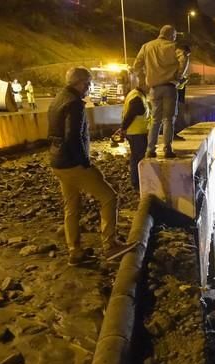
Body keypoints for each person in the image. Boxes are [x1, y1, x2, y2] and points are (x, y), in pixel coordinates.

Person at [47, 66, 136, 266]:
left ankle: (75, 252)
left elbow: (55, 133)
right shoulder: (74, 104)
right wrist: (84, 162)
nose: (89, 87)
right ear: (79, 83)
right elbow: (73, 137)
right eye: (87, 83)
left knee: (71, 206)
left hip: (57, 162)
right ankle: (111, 245)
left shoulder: (57, 100)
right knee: (109, 197)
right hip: (73, 163)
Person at [134, 25, 189, 159]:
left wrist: (143, 80)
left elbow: (136, 65)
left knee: (155, 120)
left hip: (153, 88)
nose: (174, 38)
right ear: (171, 35)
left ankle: (150, 149)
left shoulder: (146, 46)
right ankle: (167, 149)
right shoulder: (173, 46)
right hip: (169, 87)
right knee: (168, 120)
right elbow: (184, 59)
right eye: (174, 36)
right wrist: (179, 76)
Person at [116, 77, 151, 191]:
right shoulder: (137, 98)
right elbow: (130, 115)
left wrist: (123, 129)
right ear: (144, 85)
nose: (150, 88)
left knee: (135, 157)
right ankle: (137, 183)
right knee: (138, 158)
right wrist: (123, 128)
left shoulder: (134, 94)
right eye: (149, 86)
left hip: (134, 132)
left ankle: (136, 181)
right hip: (137, 133)